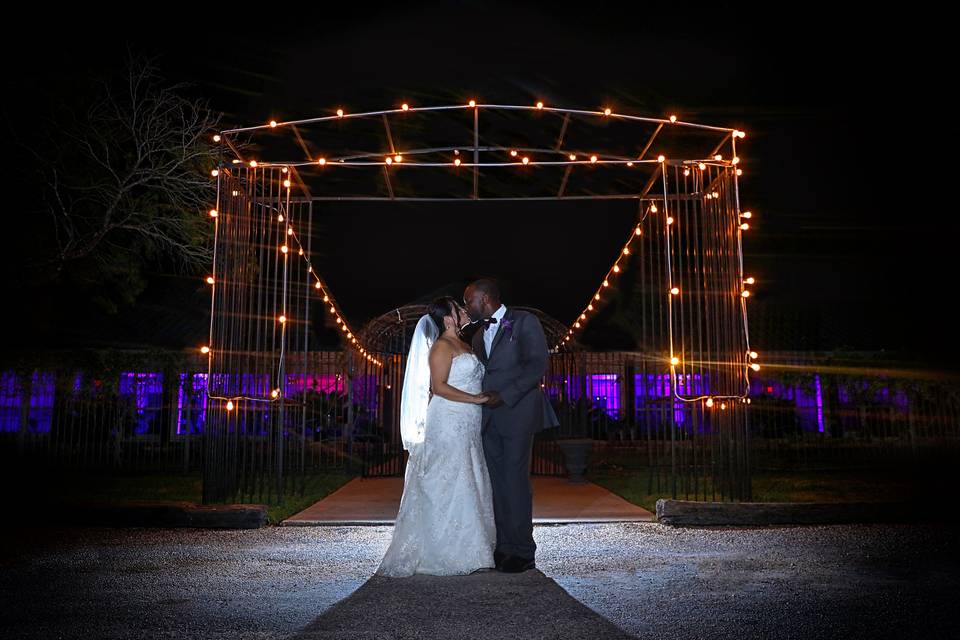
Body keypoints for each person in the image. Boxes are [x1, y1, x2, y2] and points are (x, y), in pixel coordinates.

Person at [374, 296, 496, 577]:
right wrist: (475, 399)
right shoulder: (441, 347)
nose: (465, 311)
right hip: (448, 418)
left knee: (469, 475)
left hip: (467, 421)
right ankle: (444, 551)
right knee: (449, 478)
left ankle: (473, 546)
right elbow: (439, 388)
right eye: (459, 309)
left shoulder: (465, 344)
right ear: (448, 318)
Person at [463, 278, 560, 573]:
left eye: (469, 301)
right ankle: (503, 546)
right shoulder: (478, 335)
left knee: (515, 482)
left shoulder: (524, 321)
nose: (466, 307)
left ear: (485, 299)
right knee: (497, 483)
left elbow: (536, 365)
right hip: (489, 418)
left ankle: (523, 551)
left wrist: (504, 396)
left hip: (517, 413)